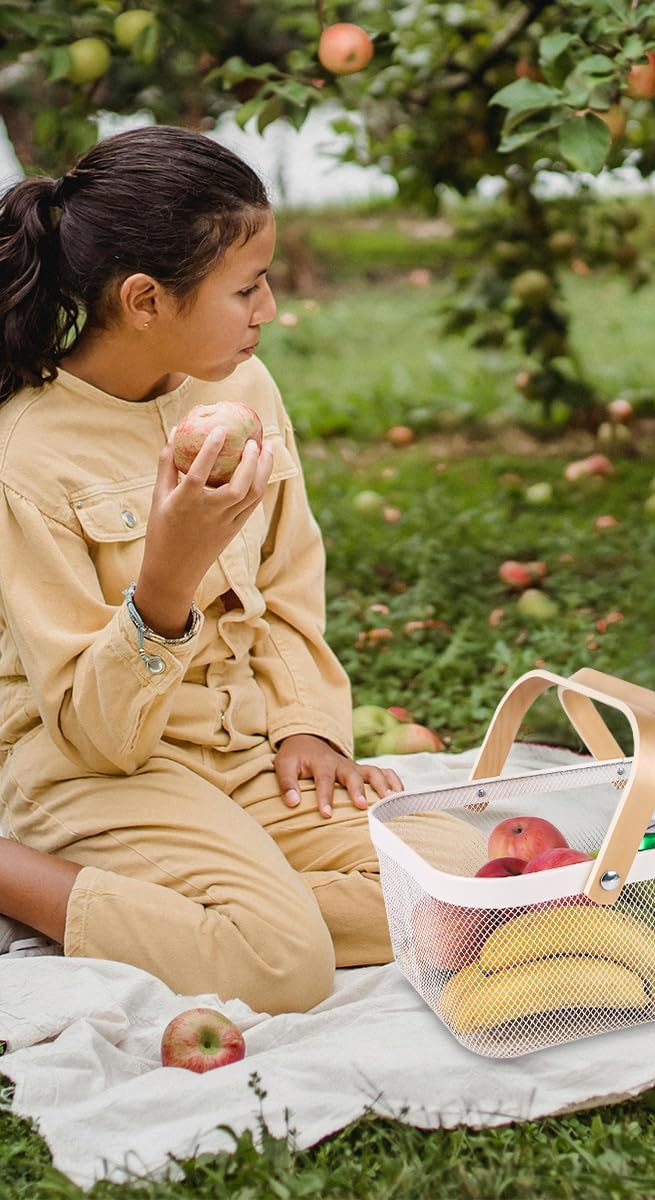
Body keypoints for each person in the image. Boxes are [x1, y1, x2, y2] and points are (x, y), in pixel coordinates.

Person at [0, 126, 406, 1014]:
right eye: (246, 288)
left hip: (240, 746)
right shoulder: (28, 454)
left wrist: (308, 726)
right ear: (146, 300)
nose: (268, 309)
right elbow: (96, 735)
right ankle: (12, 872)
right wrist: (167, 582)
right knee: (282, 966)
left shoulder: (243, 393)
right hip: (100, 767)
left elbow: (292, 578)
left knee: (447, 874)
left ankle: (230, 904)